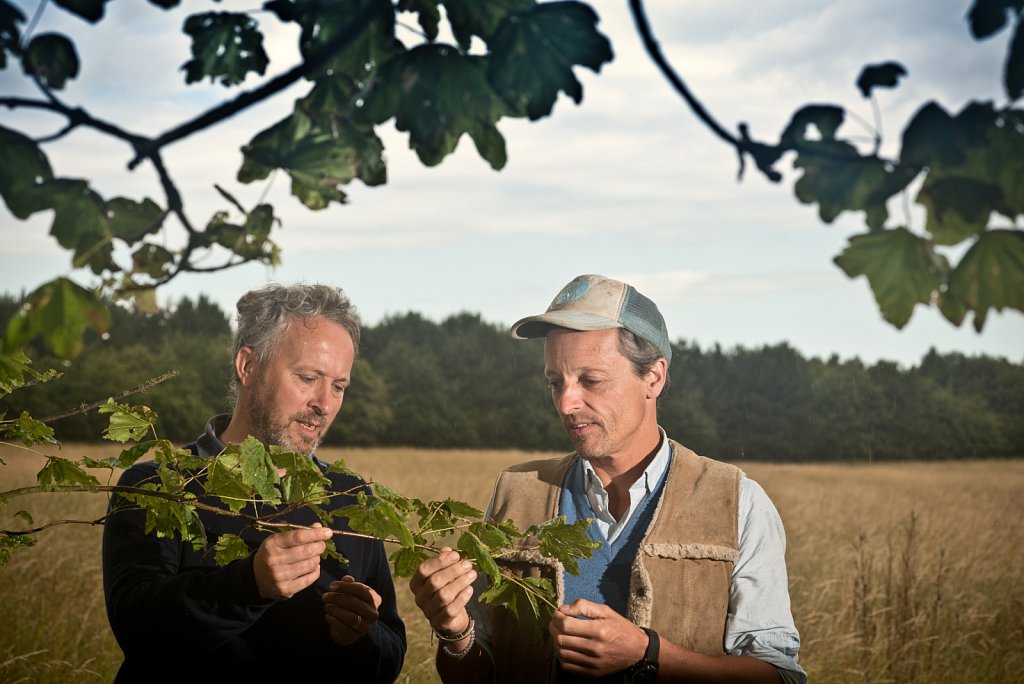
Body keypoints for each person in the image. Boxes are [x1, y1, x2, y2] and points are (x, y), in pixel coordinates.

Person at [410, 274, 805, 683]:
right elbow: (478, 674)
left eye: (591, 380)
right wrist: (455, 633)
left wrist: (649, 654)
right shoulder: (516, 491)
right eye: (554, 382)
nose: (566, 403)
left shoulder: (738, 501)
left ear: (653, 377)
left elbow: (781, 675)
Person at [102, 283, 406, 682]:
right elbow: (137, 629)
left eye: (338, 386)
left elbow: (389, 657)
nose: (325, 404)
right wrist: (249, 585)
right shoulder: (156, 485)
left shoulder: (351, 497)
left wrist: (359, 636)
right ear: (248, 366)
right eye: (309, 377)